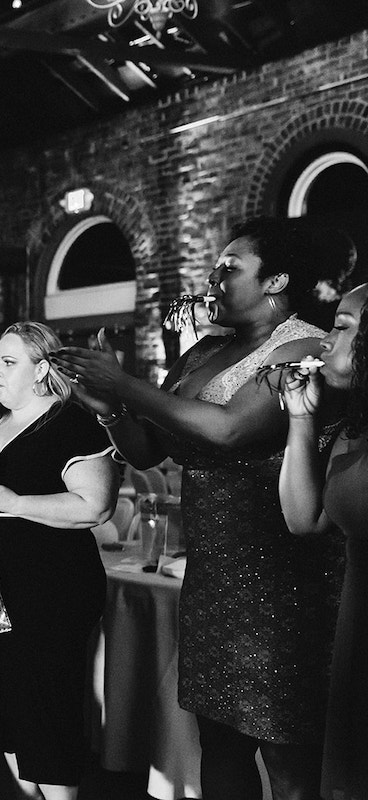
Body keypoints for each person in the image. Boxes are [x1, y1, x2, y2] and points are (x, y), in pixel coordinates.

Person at [52, 218, 345, 800]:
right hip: (214, 580)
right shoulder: (205, 352)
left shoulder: (306, 345)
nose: (213, 278)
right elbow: (150, 447)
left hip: (284, 579)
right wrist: (108, 407)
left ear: (276, 280)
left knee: (288, 757)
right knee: (220, 742)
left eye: (230, 267)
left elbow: (231, 431)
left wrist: (127, 384)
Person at [0, 321, 118, 800]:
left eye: (7, 362)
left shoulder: (71, 423)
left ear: (42, 370)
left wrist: (16, 503)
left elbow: (96, 507)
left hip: (51, 584)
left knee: (45, 698)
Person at [277, 282, 368, 800]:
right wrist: (301, 419)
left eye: (342, 327)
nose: (324, 342)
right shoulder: (353, 428)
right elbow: (304, 518)